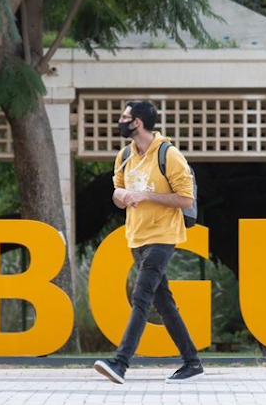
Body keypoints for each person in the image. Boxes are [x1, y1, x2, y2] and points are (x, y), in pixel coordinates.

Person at [94, 100, 204, 384]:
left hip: (163, 236)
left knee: (140, 297)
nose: (120, 120)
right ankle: (192, 362)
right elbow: (117, 192)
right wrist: (122, 196)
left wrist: (145, 195)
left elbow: (186, 199)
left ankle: (120, 363)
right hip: (137, 236)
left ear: (137, 122)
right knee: (163, 303)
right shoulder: (125, 155)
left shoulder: (169, 155)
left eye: (124, 116)